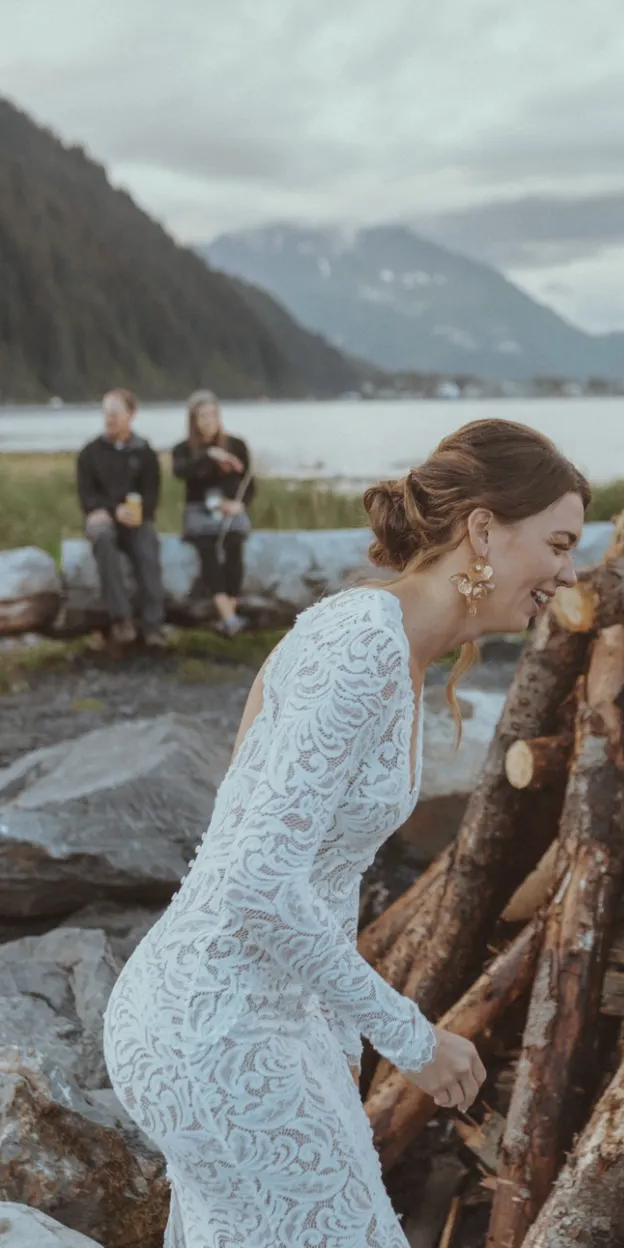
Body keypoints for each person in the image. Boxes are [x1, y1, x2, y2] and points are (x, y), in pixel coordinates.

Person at [103, 418, 590, 1246]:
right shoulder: (360, 640)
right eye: (558, 542)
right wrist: (408, 1037)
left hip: (249, 1021)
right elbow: (253, 878)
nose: (569, 572)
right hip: (215, 1025)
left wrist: (332, 1055)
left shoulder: (400, 649)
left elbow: (314, 877)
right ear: (483, 529)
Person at [76, 388, 167, 648]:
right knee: (102, 536)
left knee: (148, 546)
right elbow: (86, 495)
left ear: (131, 414)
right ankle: (121, 619)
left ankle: (153, 625)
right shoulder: (90, 452)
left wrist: (139, 515)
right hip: (104, 519)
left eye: (115, 412)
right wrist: (112, 510)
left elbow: (152, 495)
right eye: (105, 412)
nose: (109, 418)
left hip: (136, 521)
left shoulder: (144, 452)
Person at [173, 390, 256, 636]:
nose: (208, 421)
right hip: (198, 509)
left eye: (212, 415)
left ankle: (228, 614)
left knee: (234, 543)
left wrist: (239, 505)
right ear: (193, 420)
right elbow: (181, 473)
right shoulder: (184, 449)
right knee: (206, 545)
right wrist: (209, 456)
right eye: (202, 417)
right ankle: (229, 616)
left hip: (229, 507)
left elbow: (249, 484)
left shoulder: (237, 445)